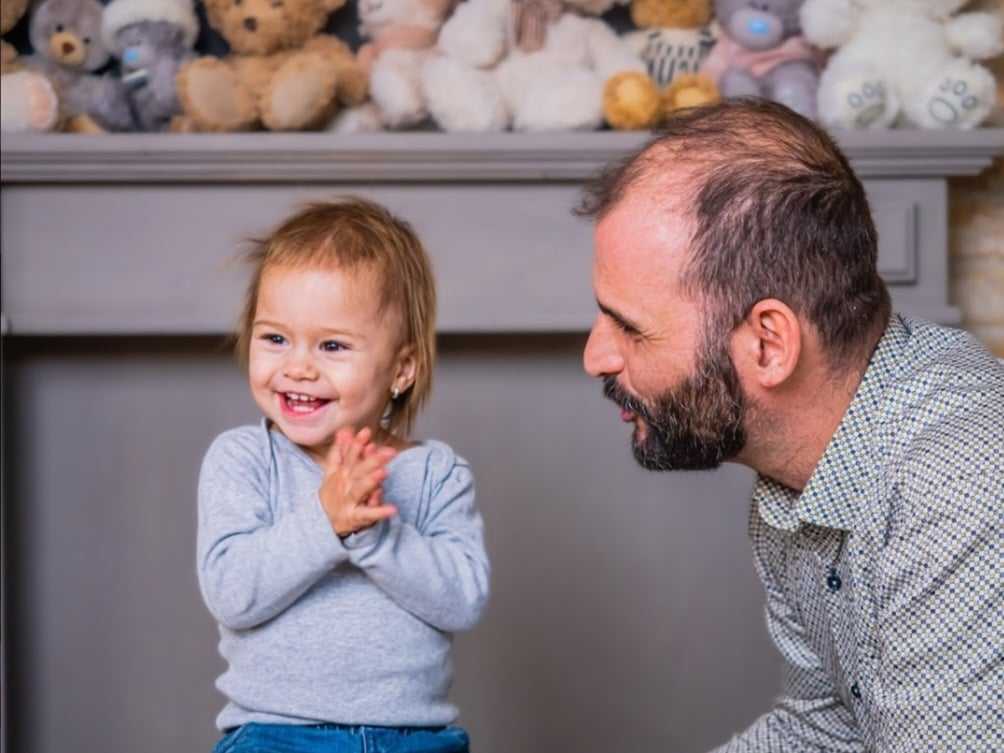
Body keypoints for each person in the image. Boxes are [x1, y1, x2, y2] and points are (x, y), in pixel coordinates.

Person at [579, 99, 1003, 751]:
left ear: (769, 344)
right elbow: (825, 726)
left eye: (631, 328)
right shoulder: (803, 475)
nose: (595, 357)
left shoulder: (957, 483)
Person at [197, 197, 489, 753]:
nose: (298, 366)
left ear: (401, 369)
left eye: (332, 345)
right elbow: (232, 593)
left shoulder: (435, 474)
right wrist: (325, 519)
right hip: (279, 735)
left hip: (415, 740)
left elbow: (462, 600)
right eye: (275, 338)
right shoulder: (244, 459)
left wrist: (374, 535)